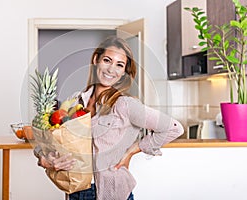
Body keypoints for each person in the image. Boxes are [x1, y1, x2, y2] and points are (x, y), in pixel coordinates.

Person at [34, 36, 184, 200]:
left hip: (111, 193)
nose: (111, 69)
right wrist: (44, 159)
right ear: (96, 60)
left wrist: (132, 151)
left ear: (123, 73)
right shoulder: (75, 100)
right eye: (107, 60)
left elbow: (173, 127)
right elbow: (50, 140)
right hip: (74, 192)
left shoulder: (125, 105)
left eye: (119, 65)